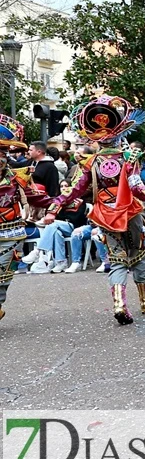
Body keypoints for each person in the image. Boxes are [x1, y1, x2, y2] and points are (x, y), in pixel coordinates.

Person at [45, 96, 145, 325]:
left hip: (105, 215)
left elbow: (72, 190)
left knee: (117, 259)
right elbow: (136, 186)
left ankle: (119, 304)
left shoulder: (89, 163)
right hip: (129, 213)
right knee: (138, 254)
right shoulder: (129, 158)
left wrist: (54, 208)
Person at [0, 115, 53, 321]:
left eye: (3, 153)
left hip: (10, 232)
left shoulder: (17, 177)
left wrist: (61, 202)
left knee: (3, 272)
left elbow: (36, 197)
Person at [26, 181, 87, 274]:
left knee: (53, 224)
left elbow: (79, 218)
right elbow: (55, 216)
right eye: (61, 186)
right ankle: (61, 261)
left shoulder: (80, 201)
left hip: (74, 227)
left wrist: (63, 216)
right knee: (56, 233)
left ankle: (38, 251)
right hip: (60, 226)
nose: (64, 188)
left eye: (66, 186)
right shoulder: (58, 201)